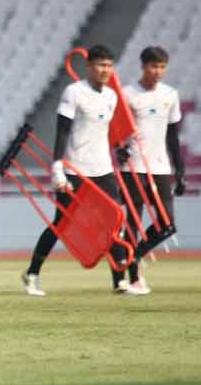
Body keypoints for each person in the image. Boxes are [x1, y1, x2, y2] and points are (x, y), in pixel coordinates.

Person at [21, 45, 134, 296]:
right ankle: (32, 274)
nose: (105, 70)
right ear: (89, 66)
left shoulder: (112, 96)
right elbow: (61, 132)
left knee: (114, 221)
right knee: (61, 224)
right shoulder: (73, 92)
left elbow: (104, 132)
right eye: (100, 65)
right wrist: (57, 168)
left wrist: (120, 149)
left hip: (103, 170)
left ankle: (120, 280)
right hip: (75, 169)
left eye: (109, 66)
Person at [115, 46, 185, 295]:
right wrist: (118, 149)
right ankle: (134, 277)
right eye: (154, 66)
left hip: (160, 167)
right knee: (133, 221)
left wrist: (181, 171)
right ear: (143, 66)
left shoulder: (170, 95)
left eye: (162, 66)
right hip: (133, 166)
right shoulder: (127, 94)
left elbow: (173, 137)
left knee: (168, 224)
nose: (158, 71)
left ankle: (134, 257)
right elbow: (114, 131)